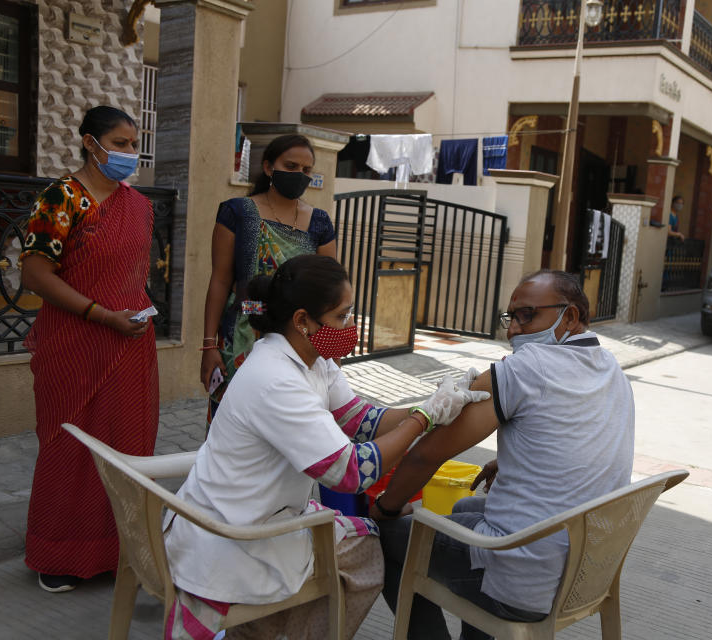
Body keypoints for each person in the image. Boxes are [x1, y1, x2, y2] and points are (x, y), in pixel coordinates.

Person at [164, 254, 489, 640]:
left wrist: (435, 402)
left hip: (245, 510)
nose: (350, 328)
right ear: (302, 320)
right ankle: (270, 629)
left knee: (357, 537)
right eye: (342, 316)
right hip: (233, 536)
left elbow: (360, 419)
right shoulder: (276, 378)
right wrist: (424, 418)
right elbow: (351, 472)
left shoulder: (312, 358)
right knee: (368, 552)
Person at [373, 270, 636, 640]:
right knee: (465, 510)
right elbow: (582, 443)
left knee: (380, 536)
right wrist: (516, 463)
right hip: (585, 568)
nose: (512, 330)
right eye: (510, 317)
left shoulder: (524, 369)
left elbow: (424, 457)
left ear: (571, 317)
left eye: (527, 316)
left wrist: (385, 509)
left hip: (526, 578)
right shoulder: (610, 368)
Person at [20, 106, 159, 593]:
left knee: (127, 447)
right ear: (89, 143)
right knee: (71, 447)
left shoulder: (138, 205)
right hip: (75, 343)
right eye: (118, 143)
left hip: (130, 347)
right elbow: (35, 274)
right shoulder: (62, 197)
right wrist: (101, 315)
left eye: (131, 143)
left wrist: (132, 318)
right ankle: (58, 555)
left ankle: (120, 552)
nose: (128, 153)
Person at [200, 134, 336, 427]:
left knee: (291, 424)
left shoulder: (320, 223)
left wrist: (330, 349)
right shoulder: (238, 212)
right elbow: (221, 281)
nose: (299, 174)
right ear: (268, 167)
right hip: (242, 335)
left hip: (299, 339)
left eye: (306, 170)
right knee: (234, 424)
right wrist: (209, 346)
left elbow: (329, 292)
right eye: (291, 165)